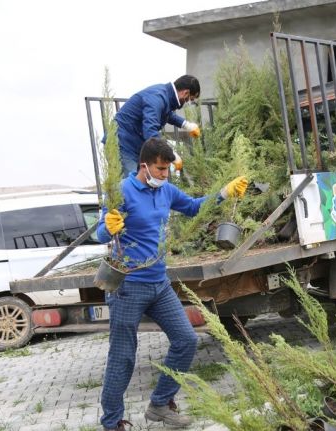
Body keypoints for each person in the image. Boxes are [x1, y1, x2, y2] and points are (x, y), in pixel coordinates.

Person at [97, 137, 248, 431]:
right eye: (160, 169)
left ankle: (160, 404)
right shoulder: (122, 191)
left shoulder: (165, 190)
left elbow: (192, 207)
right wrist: (108, 228)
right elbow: (102, 231)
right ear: (144, 166)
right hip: (128, 286)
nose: (165, 174)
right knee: (123, 356)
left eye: (167, 169)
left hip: (159, 283)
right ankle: (112, 422)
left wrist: (223, 193)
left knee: (186, 340)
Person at [112, 75, 201, 178]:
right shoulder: (157, 97)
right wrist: (171, 154)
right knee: (132, 183)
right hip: (122, 143)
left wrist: (186, 125)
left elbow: (166, 114)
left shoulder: (165, 95)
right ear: (185, 93)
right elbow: (150, 131)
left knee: (143, 181)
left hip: (133, 143)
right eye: (189, 99)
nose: (186, 102)